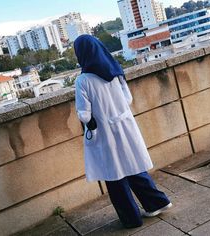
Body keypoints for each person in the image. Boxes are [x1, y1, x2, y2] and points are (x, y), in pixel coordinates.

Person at [74, 34, 172, 228]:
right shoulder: (114, 71)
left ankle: (131, 218)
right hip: (125, 127)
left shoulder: (83, 81)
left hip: (104, 133)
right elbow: (127, 99)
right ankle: (157, 202)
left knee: (114, 175)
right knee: (133, 165)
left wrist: (94, 118)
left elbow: (84, 114)